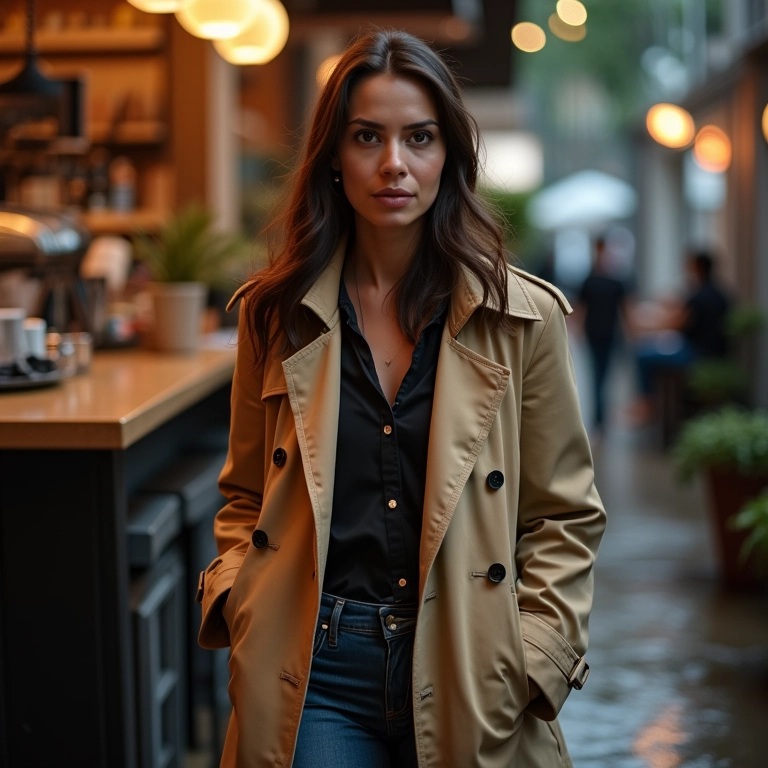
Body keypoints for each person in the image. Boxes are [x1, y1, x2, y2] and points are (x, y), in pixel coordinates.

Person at [196, 30, 605, 768]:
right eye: (366, 137)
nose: (394, 163)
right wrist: (243, 605)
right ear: (332, 157)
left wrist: (536, 655)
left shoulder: (523, 319)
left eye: (419, 137)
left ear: (448, 155)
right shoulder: (275, 315)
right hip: (314, 669)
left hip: (470, 661)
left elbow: (563, 515)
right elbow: (245, 498)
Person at [630, 250, 731, 424]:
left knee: (644, 355)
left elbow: (676, 323)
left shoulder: (699, 295)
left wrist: (645, 325)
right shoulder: (721, 294)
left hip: (697, 355)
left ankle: (648, 404)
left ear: (698, 268)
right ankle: (649, 404)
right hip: (717, 353)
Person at [575, 236, 630, 434]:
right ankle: (600, 418)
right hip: (596, 332)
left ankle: (600, 418)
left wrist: (629, 331)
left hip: (607, 332)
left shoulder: (610, 280)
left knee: (601, 375)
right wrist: (578, 330)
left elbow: (624, 309)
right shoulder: (592, 280)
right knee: (599, 375)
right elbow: (581, 308)